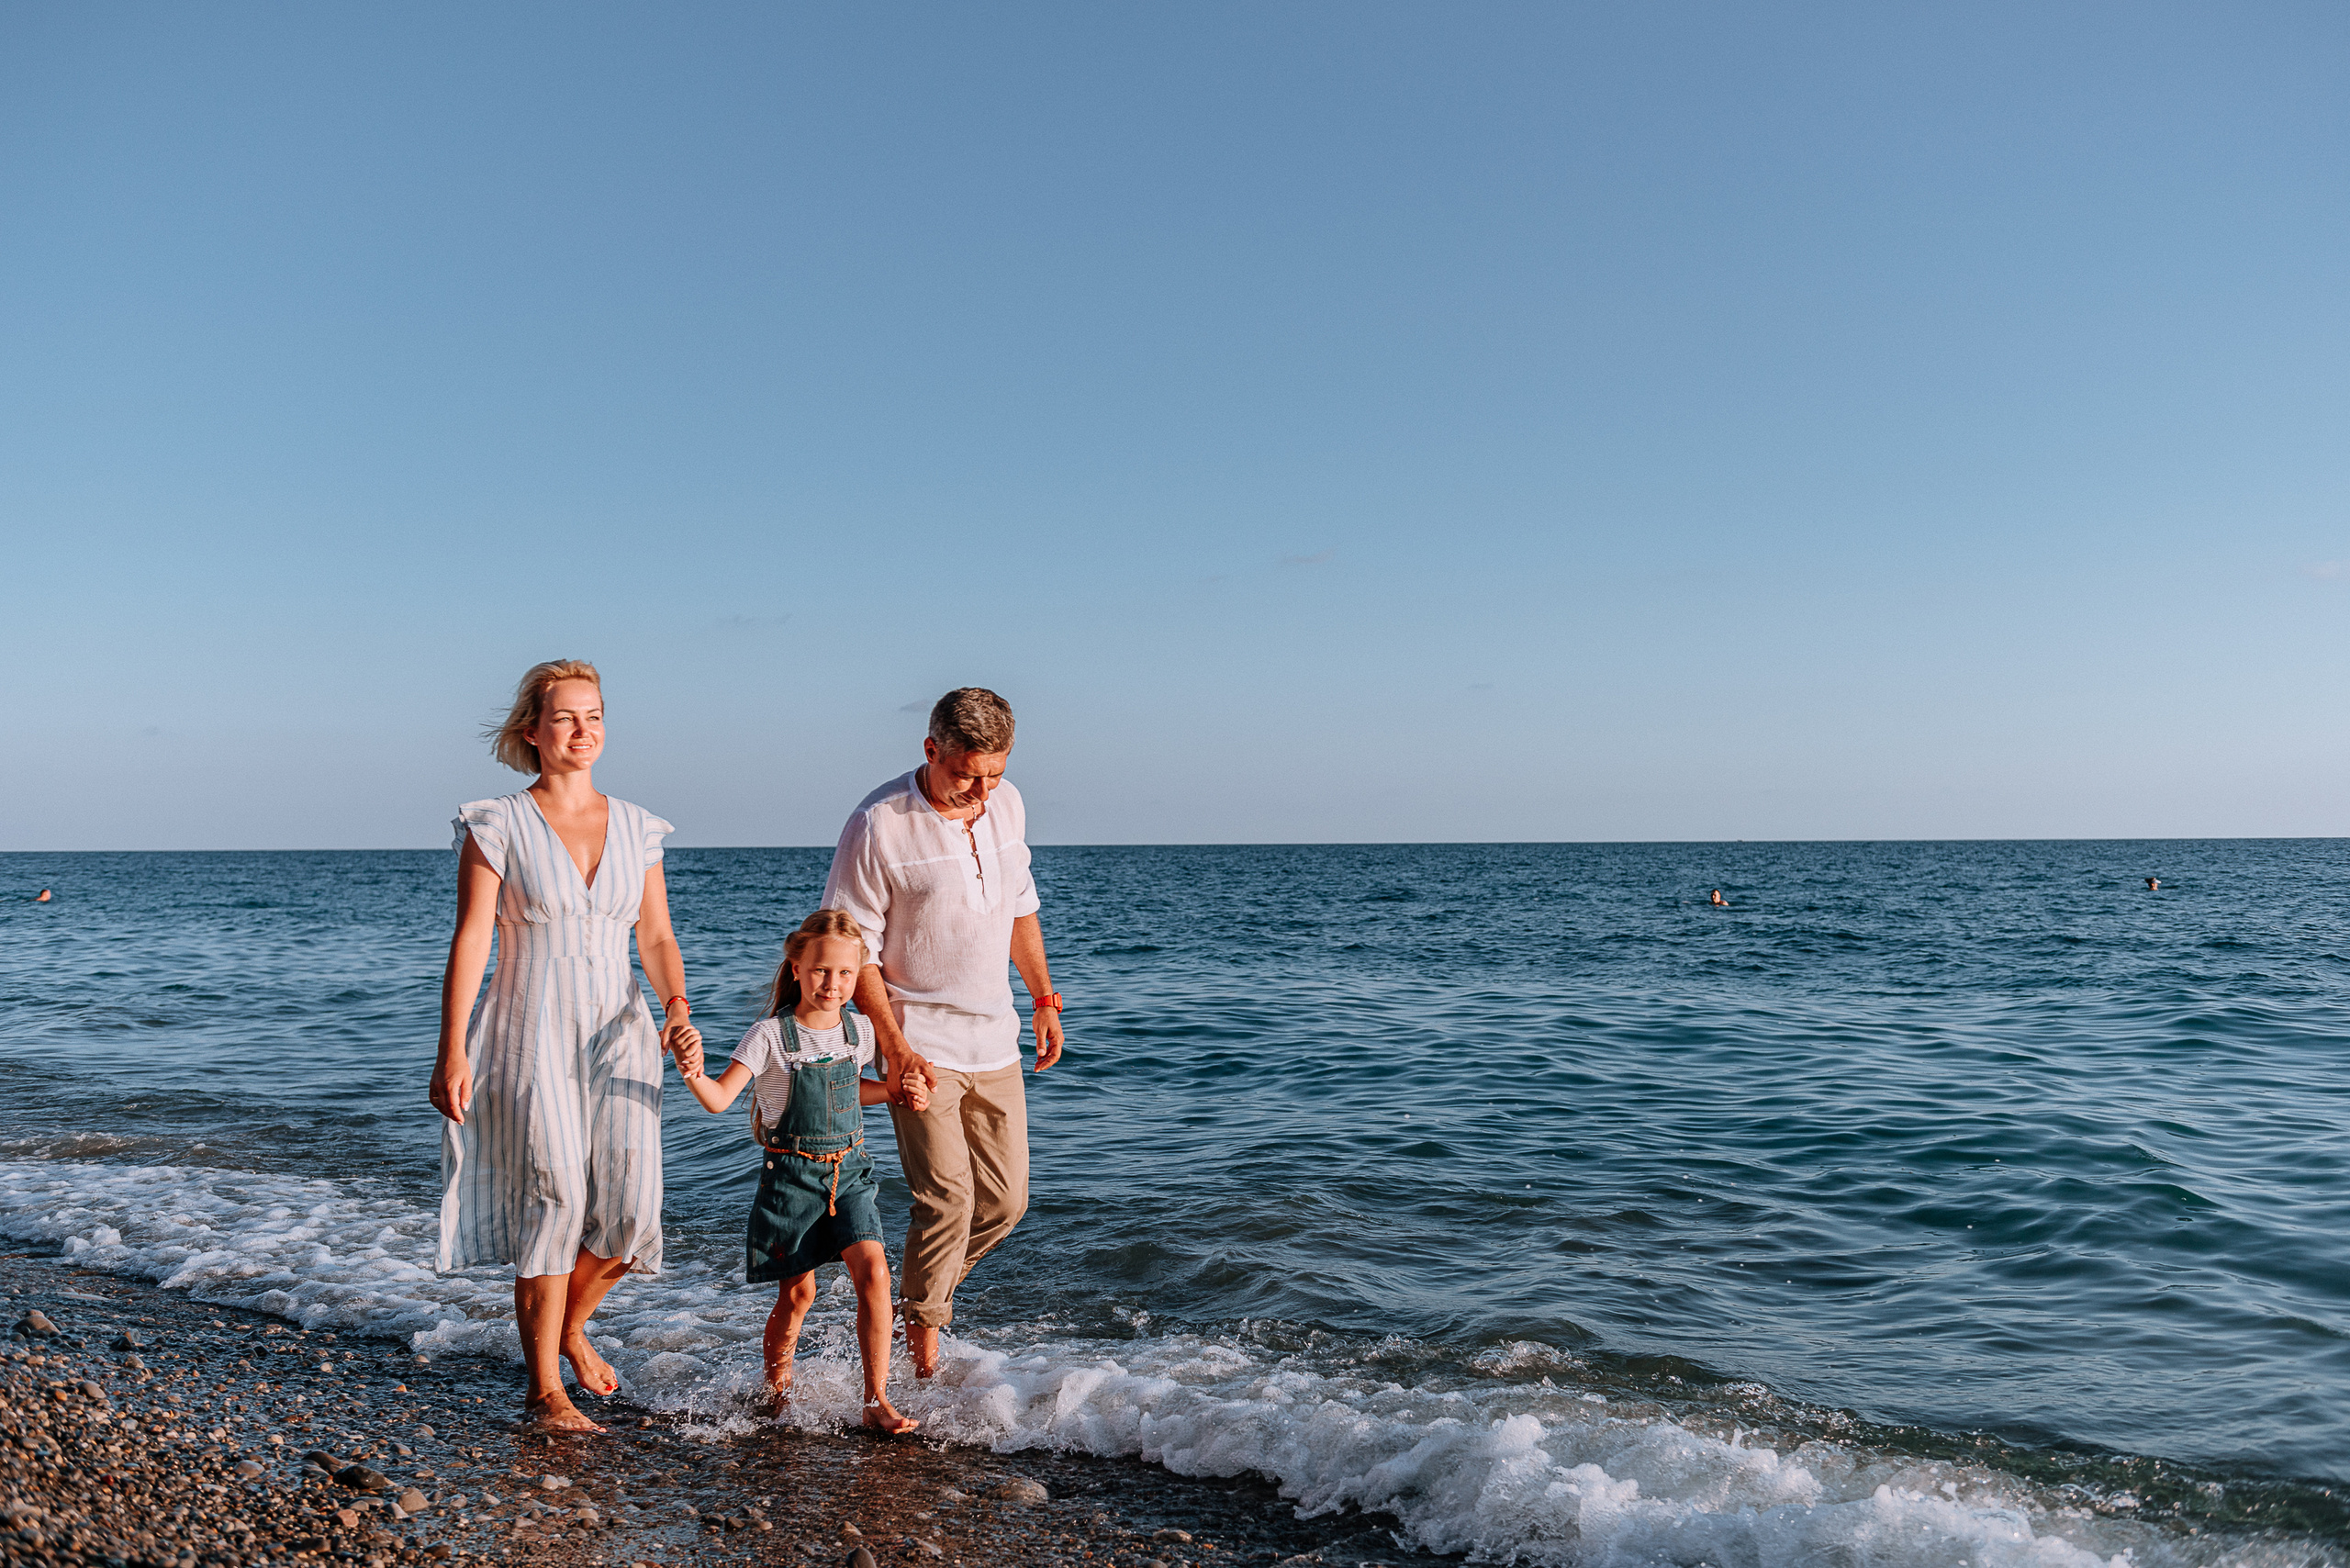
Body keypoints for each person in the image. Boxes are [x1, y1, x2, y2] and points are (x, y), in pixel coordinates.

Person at [428, 659, 698, 1433]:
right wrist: (453, 1048)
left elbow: (655, 934)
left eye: (596, 716)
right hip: (527, 1024)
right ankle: (546, 1391)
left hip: (621, 1028)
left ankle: (571, 1326)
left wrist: (677, 1004)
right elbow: (472, 938)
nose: (585, 731)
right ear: (532, 733)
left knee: (630, 1209)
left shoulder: (640, 826)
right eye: (568, 718)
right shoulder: (497, 823)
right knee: (554, 1200)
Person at [822, 687, 1065, 1378]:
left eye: (996, 772)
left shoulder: (1007, 804)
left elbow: (1021, 908)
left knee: (1006, 1201)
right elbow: (852, 948)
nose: (983, 790)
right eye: (967, 774)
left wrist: (1043, 997)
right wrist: (894, 1049)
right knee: (948, 1199)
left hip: (996, 1040)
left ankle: (912, 1305)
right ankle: (922, 1354)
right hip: (919, 1043)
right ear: (931, 751)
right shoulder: (879, 824)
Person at [675, 909, 926, 1432]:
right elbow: (720, 1099)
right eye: (819, 971)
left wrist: (901, 1091)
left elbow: (851, 1094)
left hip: (850, 1173)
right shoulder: (768, 1036)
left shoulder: (860, 1031)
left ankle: (876, 1398)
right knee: (799, 1294)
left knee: (876, 1275)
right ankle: (776, 1389)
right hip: (791, 1179)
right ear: (795, 968)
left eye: (845, 974)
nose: (832, 984)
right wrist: (693, 1072)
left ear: (858, 976)